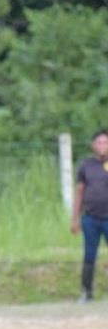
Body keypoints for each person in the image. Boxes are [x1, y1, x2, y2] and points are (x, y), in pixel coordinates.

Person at [71, 129, 108, 302]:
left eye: (105, 142)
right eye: (99, 142)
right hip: (90, 218)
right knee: (89, 254)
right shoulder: (86, 165)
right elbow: (79, 192)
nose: (102, 146)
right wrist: (75, 218)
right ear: (93, 146)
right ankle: (86, 292)